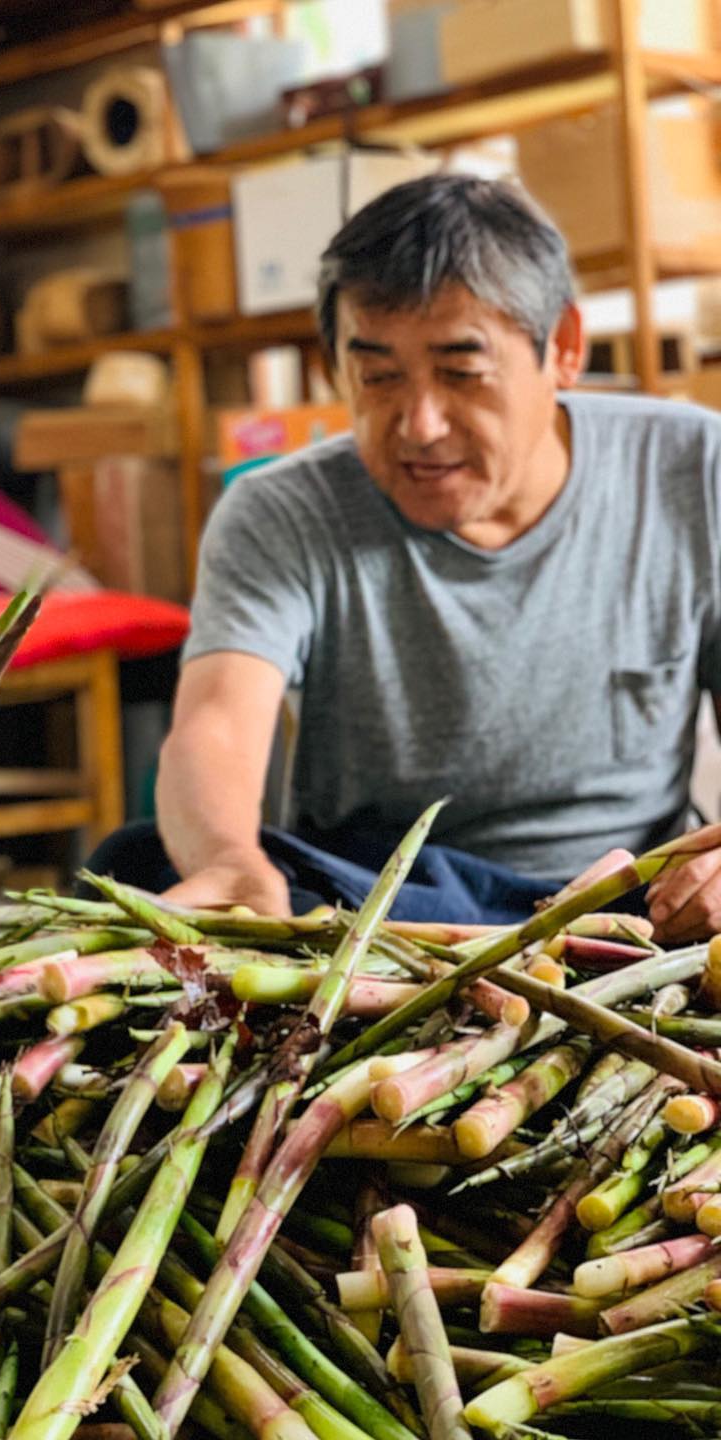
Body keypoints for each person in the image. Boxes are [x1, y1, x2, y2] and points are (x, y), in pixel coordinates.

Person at [98, 173, 721, 943]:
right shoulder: (280, 510)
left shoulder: (694, 468)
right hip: (387, 904)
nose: (419, 424)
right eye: (379, 377)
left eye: (462, 372)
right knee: (145, 864)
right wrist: (228, 861)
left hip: (624, 905)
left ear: (561, 347)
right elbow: (217, 721)